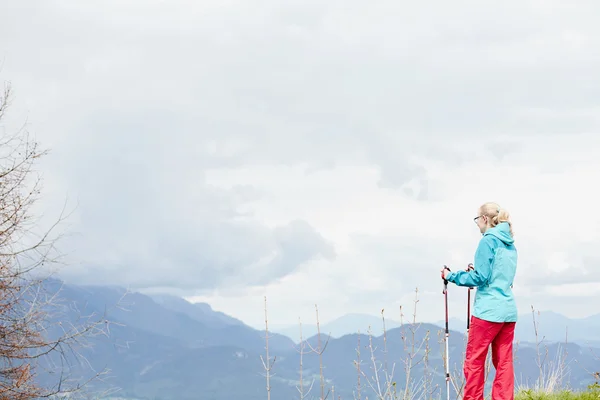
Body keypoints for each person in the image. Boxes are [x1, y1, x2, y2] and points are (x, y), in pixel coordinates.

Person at [441, 202, 518, 400]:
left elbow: (481, 278)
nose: (477, 224)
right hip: (508, 312)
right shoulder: (510, 244)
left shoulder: (487, 241)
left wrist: (451, 276)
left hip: (487, 312)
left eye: (477, 219)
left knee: (474, 361)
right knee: (504, 362)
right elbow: (500, 276)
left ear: (485, 219)